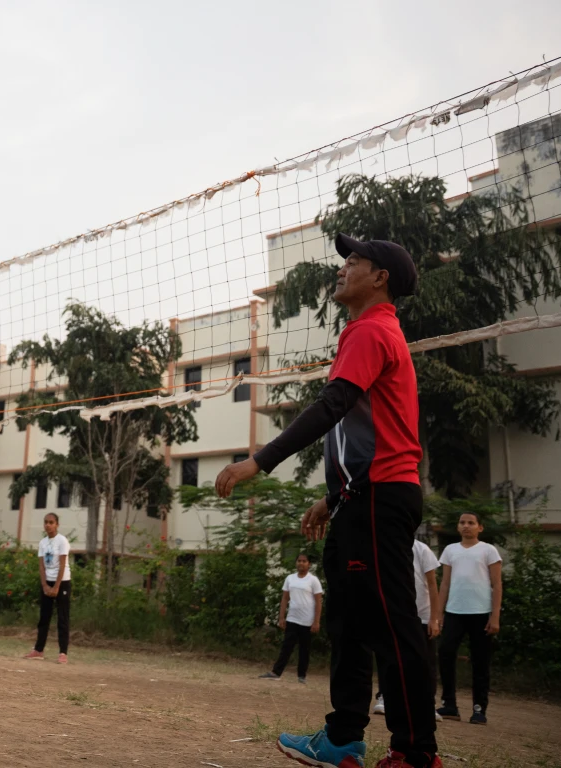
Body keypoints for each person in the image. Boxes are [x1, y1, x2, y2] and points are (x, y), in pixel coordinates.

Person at [214, 234, 441, 768]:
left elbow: (332, 406)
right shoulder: (363, 332)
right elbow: (363, 429)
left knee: (393, 624)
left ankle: (415, 752)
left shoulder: (373, 330)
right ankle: (342, 741)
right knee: (348, 624)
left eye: (354, 261)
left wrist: (260, 460)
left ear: (380, 277)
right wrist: (335, 496)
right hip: (361, 497)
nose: (343, 268)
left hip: (382, 497)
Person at [436, 512, 502, 725]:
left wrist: (495, 616)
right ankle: (449, 704)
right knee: (445, 652)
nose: (466, 526)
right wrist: (438, 614)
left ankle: (479, 708)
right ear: (458, 527)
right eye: (462, 522)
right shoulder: (450, 550)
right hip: (454, 612)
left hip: (480, 613)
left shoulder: (488, 550)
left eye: (471, 523)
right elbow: (445, 583)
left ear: (480, 527)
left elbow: (497, 584)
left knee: (480, 660)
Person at [373, 535, 441, 721]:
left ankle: (428, 703)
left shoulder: (422, 549)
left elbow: (432, 584)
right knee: (389, 658)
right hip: (394, 613)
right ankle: (385, 696)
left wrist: (434, 618)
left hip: (422, 615)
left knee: (426, 662)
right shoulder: (386, 545)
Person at [259, 553, 323, 683]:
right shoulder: (290, 578)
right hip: (292, 618)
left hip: (307, 620)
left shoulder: (313, 580)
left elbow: (318, 601)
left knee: (304, 649)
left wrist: (316, 621)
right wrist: (281, 617)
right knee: (286, 647)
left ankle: (301, 676)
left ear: (309, 564)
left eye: (304, 561)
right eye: (299, 561)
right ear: (296, 563)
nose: (301, 563)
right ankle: (276, 672)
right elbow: (284, 598)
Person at [24, 512, 71, 664]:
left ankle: (63, 652)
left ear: (57, 524)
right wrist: (45, 585)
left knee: (62, 618)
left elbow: (62, 565)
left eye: (51, 522)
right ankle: (38, 650)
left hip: (62, 582)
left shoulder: (62, 541)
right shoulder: (43, 543)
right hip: (47, 581)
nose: (48, 525)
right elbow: (41, 565)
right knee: (44, 617)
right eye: (46, 522)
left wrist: (56, 586)